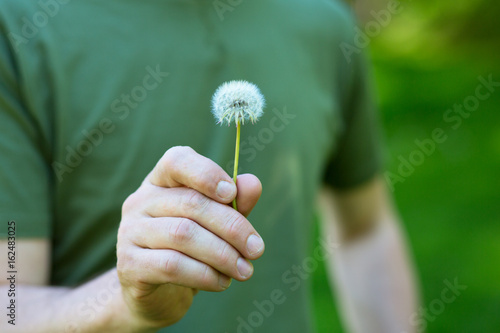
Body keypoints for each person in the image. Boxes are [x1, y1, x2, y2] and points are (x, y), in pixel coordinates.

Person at [0, 0, 419, 332]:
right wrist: (125, 302)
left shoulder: (326, 23)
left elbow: (365, 229)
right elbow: (10, 304)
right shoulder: (16, 26)